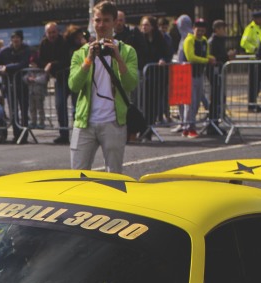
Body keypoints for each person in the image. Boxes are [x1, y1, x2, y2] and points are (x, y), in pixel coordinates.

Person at [68, 0, 139, 174]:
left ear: (115, 22)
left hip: (113, 122)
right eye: (97, 20)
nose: (101, 25)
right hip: (84, 123)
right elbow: (73, 86)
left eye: (106, 20)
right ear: (92, 22)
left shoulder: (127, 51)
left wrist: (118, 58)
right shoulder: (81, 53)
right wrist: (88, 61)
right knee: (77, 175)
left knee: (114, 176)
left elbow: (131, 84)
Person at [0, 31, 33, 142]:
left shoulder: (26, 50)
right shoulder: (4, 51)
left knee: (24, 110)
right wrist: (0, 68)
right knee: (13, 111)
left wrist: (7, 67)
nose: (15, 40)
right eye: (13, 38)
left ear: (21, 39)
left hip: (22, 84)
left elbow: (23, 64)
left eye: (17, 38)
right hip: (10, 85)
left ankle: (24, 135)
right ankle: (17, 134)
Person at [132, 16, 169, 131]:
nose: (144, 27)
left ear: (152, 27)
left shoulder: (159, 38)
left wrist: (162, 59)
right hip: (143, 72)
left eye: (146, 25)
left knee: (153, 102)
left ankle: (150, 126)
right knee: (141, 101)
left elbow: (166, 52)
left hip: (156, 75)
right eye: (142, 25)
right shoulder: (138, 38)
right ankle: (141, 127)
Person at [37, 22, 71, 143]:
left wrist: (52, 64)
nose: (51, 35)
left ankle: (81, 134)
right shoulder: (44, 44)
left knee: (78, 108)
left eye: (53, 32)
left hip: (71, 77)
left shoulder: (64, 42)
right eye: (49, 33)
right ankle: (64, 134)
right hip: (59, 79)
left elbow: (67, 60)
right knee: (60, 105)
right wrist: (47, 65)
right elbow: (40, 61)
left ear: (58, 31)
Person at [180, 19, 210, 137]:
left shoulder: (204, 41)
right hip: (189, 74)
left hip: (199, 74)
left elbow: (206, 54)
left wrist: (211, 58)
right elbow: (191, 57)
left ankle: (188, 127)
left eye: (202, 30)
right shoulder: (189, 40)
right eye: (198, 29)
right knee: (190, 102)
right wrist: (207, 60)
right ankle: (189, 127)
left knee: (197, 103)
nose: (200, 32)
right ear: (193, 29)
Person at [241, 10, 261, 113]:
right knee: (253, 84)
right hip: (254, 60)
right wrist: (254, 49)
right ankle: (251, 105)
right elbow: (243, 43)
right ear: (256, 19)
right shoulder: (250, 28)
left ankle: (257, 104)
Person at [207, 20, 231, 130]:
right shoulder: (213, 41)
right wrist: (227, 57)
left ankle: (216, 120)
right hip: (214, 71)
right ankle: (212, 122)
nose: (224, 31)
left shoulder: (220, 40)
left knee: (219, 96)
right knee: (216, 96)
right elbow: (214, 57)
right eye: (222, 28)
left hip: (219, 71)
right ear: (217, 29)